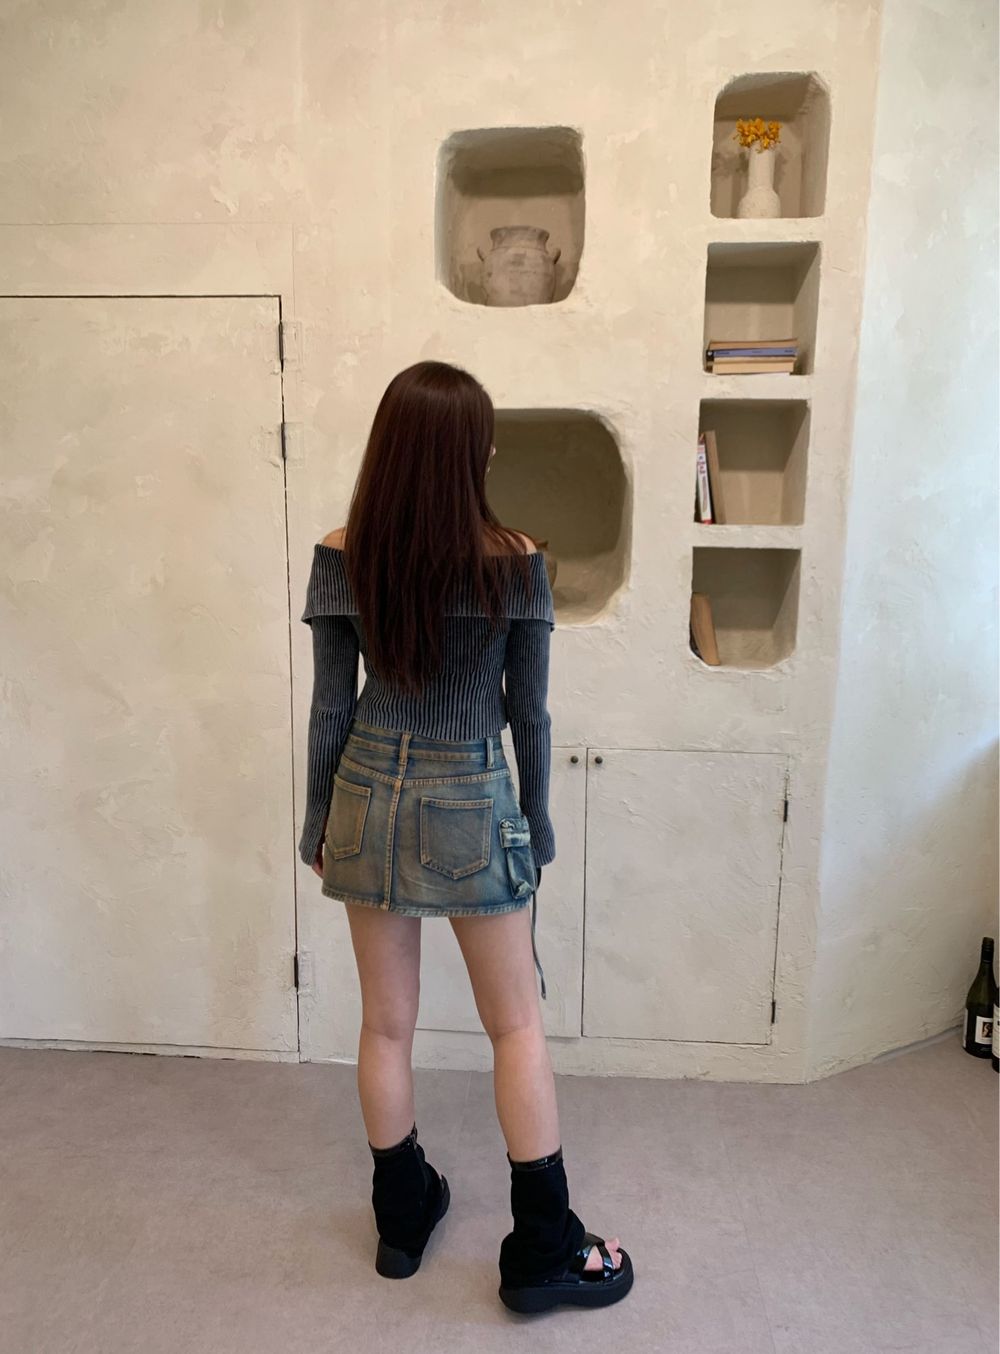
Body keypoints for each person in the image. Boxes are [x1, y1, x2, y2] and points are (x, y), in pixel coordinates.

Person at [297, 359, 633, 1313]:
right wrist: (540, 823)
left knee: (384, 1024)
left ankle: (402, 1220)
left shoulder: (342, 552)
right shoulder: (515, 558)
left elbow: (331, 707)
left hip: (367, 789)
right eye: (483, 442)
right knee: (515, 1023)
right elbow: (530, 714)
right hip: (471, 796)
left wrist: (320, 820)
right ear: (465, 453)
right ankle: (544, 1248)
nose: (489, 454)